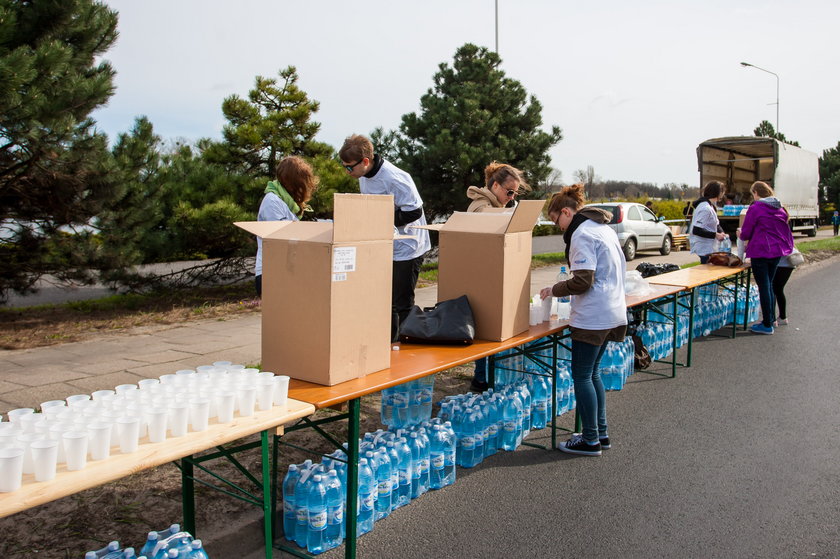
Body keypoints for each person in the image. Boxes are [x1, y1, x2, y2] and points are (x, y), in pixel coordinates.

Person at [539, 184, 627, 457]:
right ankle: (600, 432)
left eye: (557, 221)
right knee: (593, 373)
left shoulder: (581, 233)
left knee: (582, 376)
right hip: (613, 310)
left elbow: (582, 281)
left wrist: (553, 290)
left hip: (594, 316)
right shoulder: (602, 229)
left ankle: (589, 440)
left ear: (566, 211)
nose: (559, 227)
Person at [339, 134, 431, 341]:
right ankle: (387, 345)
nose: (347, 171)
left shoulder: (395, 178)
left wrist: (380, 219)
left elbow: (414, 211)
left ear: (365, 161)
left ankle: (407, 347)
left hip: (408, 246)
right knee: (383, 300)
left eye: (349, 167)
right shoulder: (363, 174)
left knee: (402, 302)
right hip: (385, 244)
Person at [465, 162, 530, 392]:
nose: (511, 198)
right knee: (487, 332)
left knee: (494, 331)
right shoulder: (481, 207)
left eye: (515, 193)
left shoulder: (495, 206)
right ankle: (481, 379)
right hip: (483, 279)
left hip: (494, 278)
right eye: (509, 192)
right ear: (494, 185)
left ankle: (487, 377)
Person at [254, 155, 319, 297]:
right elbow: (283, 241)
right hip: (271, 274)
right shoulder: (273, 202)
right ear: (294, 183)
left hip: (283, 273)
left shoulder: (286, 203)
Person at [737, 181, 795, 335]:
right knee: (768, 285)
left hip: (760, 250)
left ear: (756, 192)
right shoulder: (780, 208)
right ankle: (770, 321)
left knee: (764, 286)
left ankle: (767, 323)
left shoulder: (756, 207)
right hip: (777, 251)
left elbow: (747, 231)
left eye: (753, 194)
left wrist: (740, 234)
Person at [688, 181, 728, 264]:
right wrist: (716, 235)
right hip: (705, 249)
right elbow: (696, 230)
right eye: (722, 192)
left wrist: (722, 232)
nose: (723, 195)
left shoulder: (710, 206)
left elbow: (716, 224)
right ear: (718, 192)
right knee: (709, 273)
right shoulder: (705, 208)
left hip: (710, 248)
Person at [773, 245, 801, 326]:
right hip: (790, 262)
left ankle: (772, 319)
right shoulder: (786, 232)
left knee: (773, 290)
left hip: (781, 262)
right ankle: (782, 317)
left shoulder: (776, 232)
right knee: (778, 290)